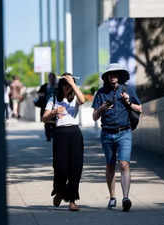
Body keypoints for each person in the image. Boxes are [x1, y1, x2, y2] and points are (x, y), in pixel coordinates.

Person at [92, 63, 142, 212]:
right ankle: (112, 197)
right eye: (110, 74)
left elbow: (140, 108)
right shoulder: (101, 93)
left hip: (124, 132)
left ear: (119, 76)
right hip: (107, 133)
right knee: (110, 166)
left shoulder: (127, 90)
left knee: (124, 164)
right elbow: (94, 116)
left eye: (115, 74)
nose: (112, 76)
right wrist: (102, 108)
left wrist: (128, 102)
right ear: (106, 77)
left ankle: (125, 197)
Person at [42, 73, 85, 211]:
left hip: (74, 133)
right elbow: (44, 118)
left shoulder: (75, 98)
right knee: (60, 167)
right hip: (60, 134)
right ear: (61, 85)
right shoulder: (54, 98)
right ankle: (60, 190)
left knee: (75, 168)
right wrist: (54, 112)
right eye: (65, 84)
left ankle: (72, 200)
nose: (67, 87)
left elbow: (83, 100)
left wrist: (73, 83)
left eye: (69, 84)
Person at [37, 72, 57, 141]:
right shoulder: (45, 86)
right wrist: (41, 95)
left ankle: (53, 135)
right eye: (50, 77)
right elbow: (39, 93)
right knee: (46, 122)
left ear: (54, 78)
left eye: (52, 77)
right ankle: (48, 136)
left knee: (54, 122)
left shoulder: (57, 86)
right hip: (45, 106)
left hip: (55, 106)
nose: (51, 79)